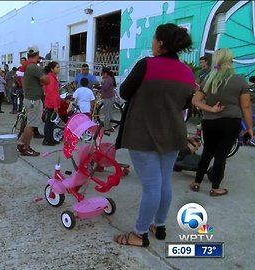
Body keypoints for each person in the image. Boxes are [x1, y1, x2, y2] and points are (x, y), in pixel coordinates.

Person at [113, 23, 194, 247]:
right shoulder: (187, 72)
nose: (151, 43)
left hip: (143, 134)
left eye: (153, 39)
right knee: (163, 181)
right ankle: (159, 225)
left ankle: (139, 234)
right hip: (173, 135)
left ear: (160, 43)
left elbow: (124, 92)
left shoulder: (146, 65)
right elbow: (187, 103)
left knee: (151, 185)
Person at [190, 48, 253, 197]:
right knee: (221, 155)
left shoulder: (209, 79)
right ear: (230, 61)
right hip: (230, 123)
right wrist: (249, 128)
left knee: (207, 152)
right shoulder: (240, 80)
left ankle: (196, 183)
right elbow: (245, 106)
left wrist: (211, 109)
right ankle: (215, 188)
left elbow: (195, 100)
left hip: (209, 123)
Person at [19, 45, 50, 156]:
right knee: (31, 125)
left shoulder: (27, 66)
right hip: (33, 100)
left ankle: (22, 144)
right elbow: (46, 80)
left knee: (29, 124)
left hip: (29, 98)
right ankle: (25, 147)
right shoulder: (34, 67)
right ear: (37, 55)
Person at [42, 61, 61, 146]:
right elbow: (51, 93)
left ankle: (50, 138)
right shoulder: (50, 78)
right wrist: (55, 106)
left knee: (51, 122)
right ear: (52, 69)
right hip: (51, 104)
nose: (58, 69)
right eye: (57, 67)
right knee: (49, 122)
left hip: (52, 103)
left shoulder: (52, 78)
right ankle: (47, 139)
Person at [100, 67, 117, 135]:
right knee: (109, 113)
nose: (102, 76)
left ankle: (106, 128)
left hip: (108, 98)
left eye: (103, 74)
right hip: (110, 97)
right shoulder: (110, 78)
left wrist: (102, 82)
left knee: (106, 113)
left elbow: (105, 88)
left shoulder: (108, 80)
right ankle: (110, 126)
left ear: (105, 73)